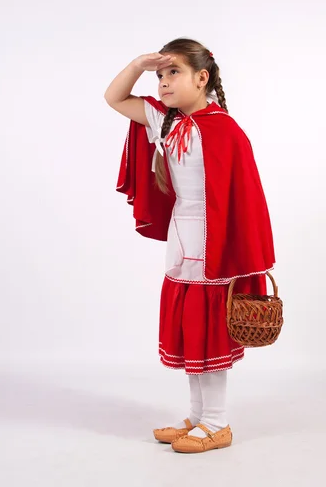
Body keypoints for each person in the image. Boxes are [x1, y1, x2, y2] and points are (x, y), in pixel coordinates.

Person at [104, 37, 275, 454]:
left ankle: (218, 423)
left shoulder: (226, 131)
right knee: (192, 330)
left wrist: (244, 257)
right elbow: (115, 97)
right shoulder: (164, 120)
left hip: (217, 245)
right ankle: (198, 418)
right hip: (184, 238)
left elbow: (244, 197)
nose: (163, 82)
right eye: (160, 75)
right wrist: (138, 63)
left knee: (210, 332)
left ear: (202, 78)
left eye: (173, 72)